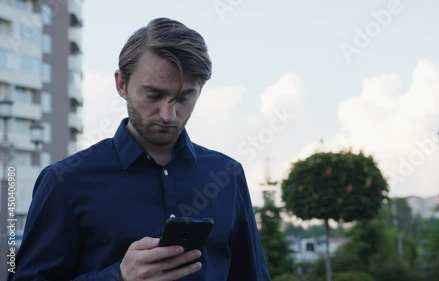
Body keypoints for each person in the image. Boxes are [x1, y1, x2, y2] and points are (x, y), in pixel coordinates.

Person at [10, 17, 271, 281]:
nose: (168, 115)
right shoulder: (64, 182)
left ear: (200, 90)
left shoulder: (228, 174)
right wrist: (118, 276)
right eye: (154, 95)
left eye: (183, 97)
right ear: (121, 84)